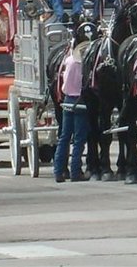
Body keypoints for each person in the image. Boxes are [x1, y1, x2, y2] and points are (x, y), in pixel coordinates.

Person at [53, 30, 92, 183]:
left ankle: (58, 171)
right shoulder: (84, 65)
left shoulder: (69, 61)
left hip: (68, 99)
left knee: (64, 136)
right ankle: (76, 171)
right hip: (80, 100)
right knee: (79, 138)